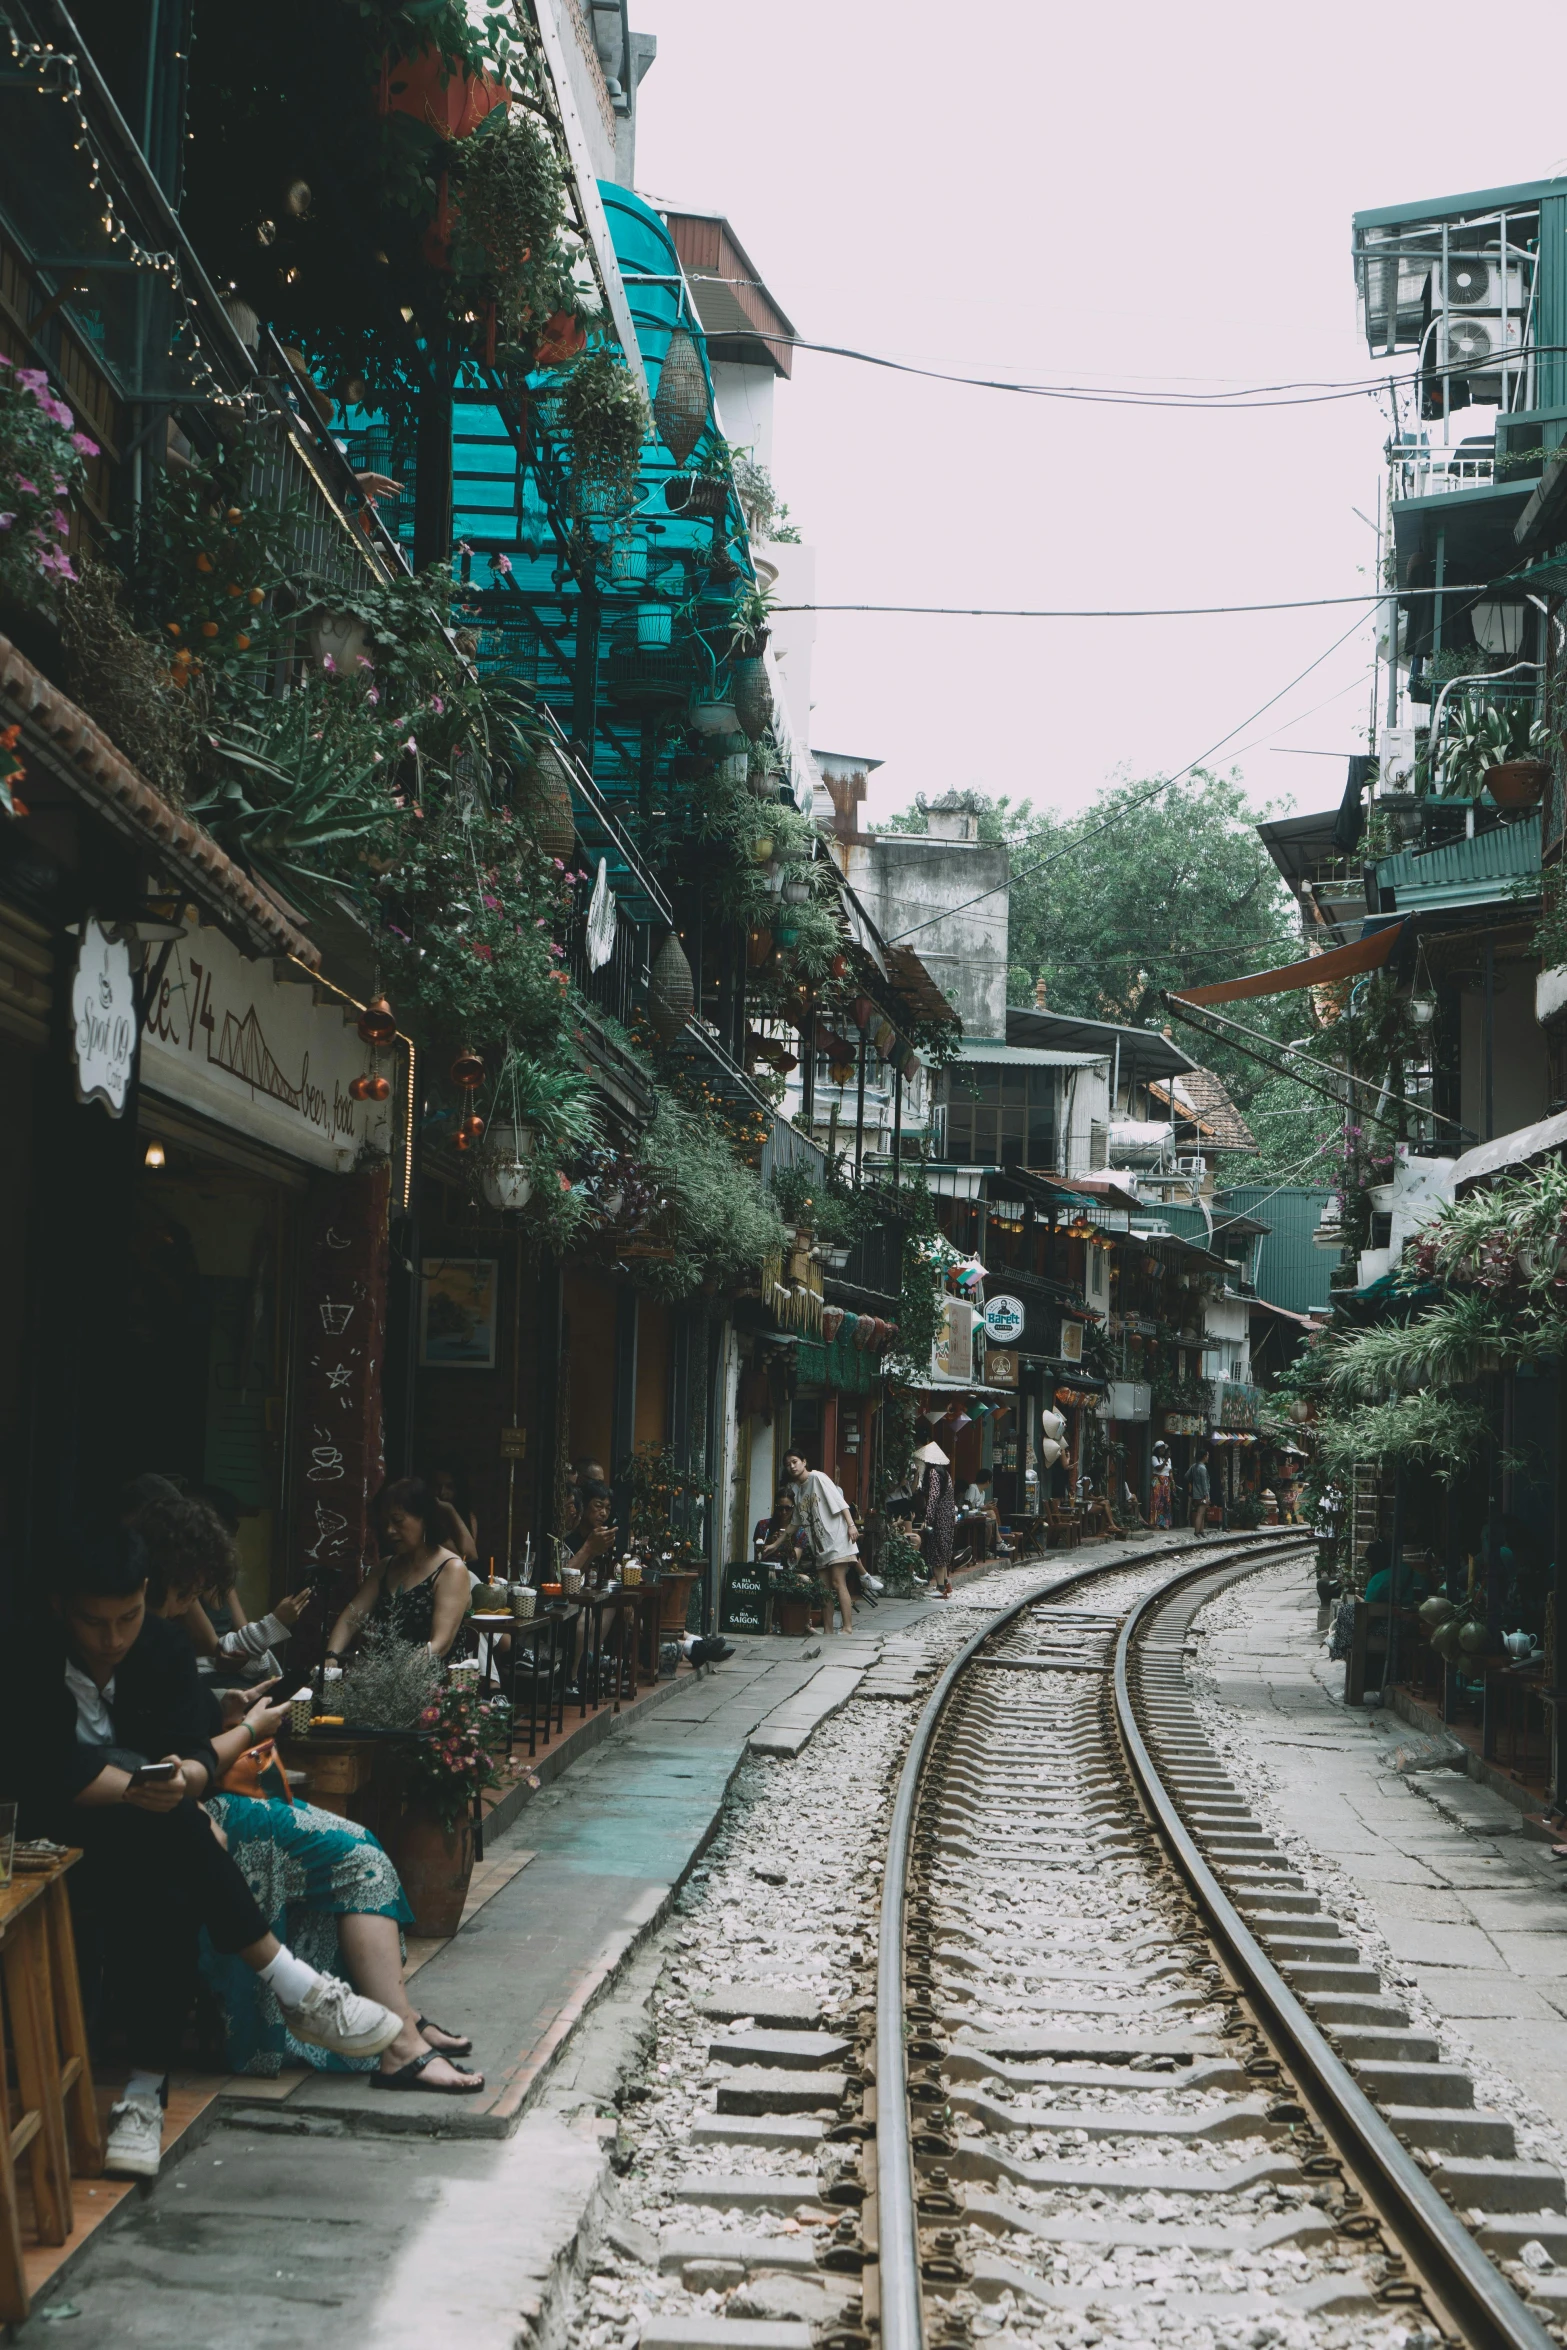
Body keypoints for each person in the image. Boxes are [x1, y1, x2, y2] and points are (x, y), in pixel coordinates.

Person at [2, 1531, 404, 2180]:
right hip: (41, 1831)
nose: (112, 1638)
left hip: (143, 1830)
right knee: (172, 1833)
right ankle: (285, 1995)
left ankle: (145, 2092)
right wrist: (156, 1791)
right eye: (93, 1622)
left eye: (127, 1617)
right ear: (59, 1606)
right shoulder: (25, 1653)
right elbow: (50, 1772)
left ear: (144, 1600)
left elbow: (191, 1754)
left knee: (166, 1873)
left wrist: (175, 1788)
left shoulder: (158, 1646)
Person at [135, 1520, 482, 2096]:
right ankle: (399, 2041)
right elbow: (182, 1766)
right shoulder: (150, 1642)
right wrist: (248, 1727)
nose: (194, 1603)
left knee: (356, 1846)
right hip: (198, 1810)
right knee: (359, 1853)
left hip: (207, 1795)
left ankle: (400, 2023)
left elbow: (186, 1731)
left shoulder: (159, 1638)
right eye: (191, 1591)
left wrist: (224, 1711)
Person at [326, 1477, 471, 1664]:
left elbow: (440, 1644)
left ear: (424, 1519)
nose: (390, 1531)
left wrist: (399, 1676)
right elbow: (351, 1617)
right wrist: (331, 1656)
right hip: (384, 1679)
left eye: (397, 1521)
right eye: (385, 1523)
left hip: (432, 1680)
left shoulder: (451, 1569)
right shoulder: (384, 1568)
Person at [784, 1448, 861, 1635]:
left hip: (836, 1538)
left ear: (804, 1462)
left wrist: (851, 1525)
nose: (792, 1466)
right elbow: (795, 1522)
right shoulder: (797, 1489)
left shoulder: (818, 1478)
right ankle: (828, 1630)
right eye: (788, 1464)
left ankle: (847, 1627)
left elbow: (840, 1501)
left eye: (795, 1461)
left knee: (837, 1582)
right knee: (823, 1588)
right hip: (820, 1543)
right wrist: (777, 1543)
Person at [914, 1441, 956, 1597]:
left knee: (938, 1551)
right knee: (944, 1551)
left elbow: (933, 1497)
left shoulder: (933, 1473)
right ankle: (946, 1584)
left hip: (939, 1517)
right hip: (947, 1516)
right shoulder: (945, 1473)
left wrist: (928, 1518)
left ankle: (940, 1588)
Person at [429, 1462, 480, 1564]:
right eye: (438, 1486)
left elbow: (470, 1556)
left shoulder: (468, 1517)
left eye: (449, 1487)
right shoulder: (426, 1517)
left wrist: (451, 1511)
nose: (442, 1492)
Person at [1150, 1440, 1174, 1531]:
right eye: (1160, 1448)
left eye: (1163, 1448)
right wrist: (1165, 1461)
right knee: (1156, 1501)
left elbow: (1170, 1471)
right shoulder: (1154, 1458)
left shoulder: (1168, 1459)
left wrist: (1173, 1483)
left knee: (1166, 1502)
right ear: (1156, 1450)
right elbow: (1158, 1468)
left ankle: (1164, 1523)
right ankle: (1155, 1523)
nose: (1162, 1450)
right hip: (1157, 1481)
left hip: (1166, 1482)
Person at [1189, 1445, 1212, 1538]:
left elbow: (1187, 1476)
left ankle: (1201, 1531)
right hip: (1202, 1494)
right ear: (1204, 1456)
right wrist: (1207, 1495)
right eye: (1207, 1455)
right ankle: (1197, 1532)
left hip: (1196, 1492)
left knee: (1202, 1512)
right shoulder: (1203, 1468)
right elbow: (1204, 1483)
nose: (1208, 1457)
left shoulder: (1194, 1466)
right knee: (1200, 1513)